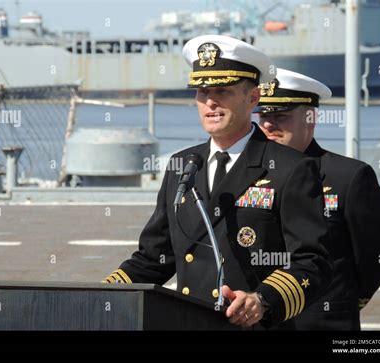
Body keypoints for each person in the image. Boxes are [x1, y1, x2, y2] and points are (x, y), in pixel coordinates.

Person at [104, 35, 333, 329]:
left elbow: (313, 262)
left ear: (252, 98)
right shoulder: (182, 166)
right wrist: (104, 291)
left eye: (223, 91)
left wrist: (262, 300)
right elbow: (156, 257)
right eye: (203, 91)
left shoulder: (291, 168)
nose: (210, 101)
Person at [255, 68, 380, 330]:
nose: (268, 125)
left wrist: (345, 299)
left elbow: (378, 256)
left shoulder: (349, 177)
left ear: (311, 118)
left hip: (323, 323)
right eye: (263, 115)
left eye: (281, 116)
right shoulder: (247, 176)